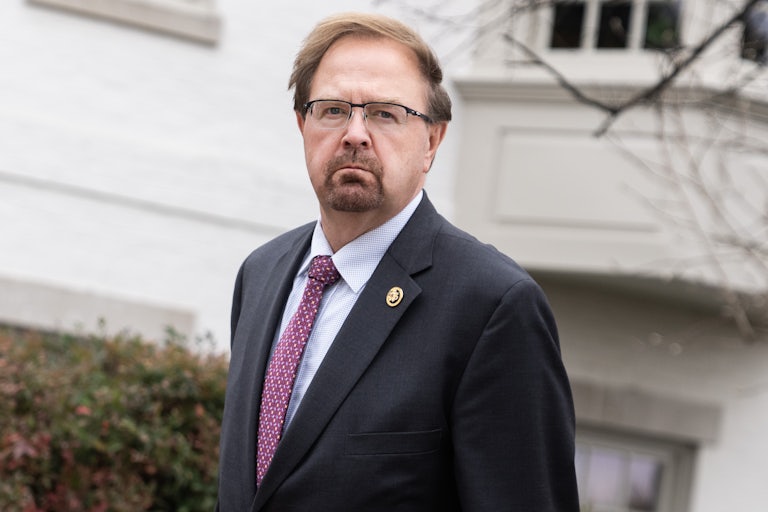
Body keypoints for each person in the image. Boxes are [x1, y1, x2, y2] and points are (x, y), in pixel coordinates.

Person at [216, 12, 579, 512]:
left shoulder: (492, 307)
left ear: (431, 141)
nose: (355, 134)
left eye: (386, 113)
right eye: (333, 110)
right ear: (303, 124)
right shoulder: (262, 274)